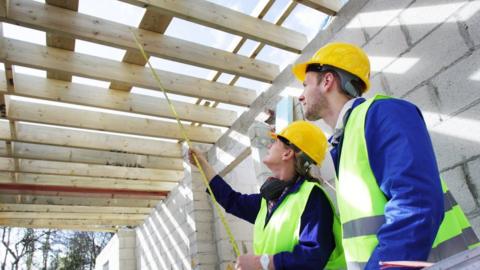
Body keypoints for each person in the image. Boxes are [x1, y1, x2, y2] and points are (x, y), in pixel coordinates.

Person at [292, 42, 479, 269]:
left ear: (327, 80)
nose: (301, 96)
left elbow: (415, 205)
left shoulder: (381, 113)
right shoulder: (348, 138)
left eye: (305, 85)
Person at [188, 121, 346, 270]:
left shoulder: (312, 197)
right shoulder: (268, 202)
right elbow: (231, 200)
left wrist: (260, 262)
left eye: (275, 142)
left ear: (287, 153)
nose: (269, 145)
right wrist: (202, 164)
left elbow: (314, 256)